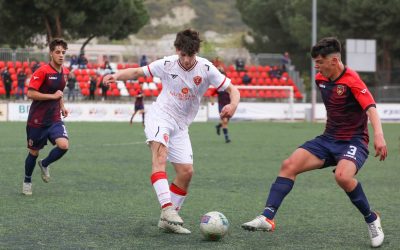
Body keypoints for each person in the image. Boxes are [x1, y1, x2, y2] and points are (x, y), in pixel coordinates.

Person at [241, 37, 387, 248]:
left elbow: (371, 107)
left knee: (343, 177)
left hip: (353, 141)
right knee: (288, 165)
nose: (316, 66)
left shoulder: (353, 80)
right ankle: (267, 218)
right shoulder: (321, 79)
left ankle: (371, 218)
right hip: (328, 139)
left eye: (319, 61)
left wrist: (379, 135)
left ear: (335, 61)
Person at [103, 28, 240, 234]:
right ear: (177, 50)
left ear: (196, 52)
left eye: (190, 55)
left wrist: (233, 106)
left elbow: (233, 90)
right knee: (160, 156)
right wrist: (116, 75)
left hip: (181, 126)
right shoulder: (166, 64)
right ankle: (167, 208)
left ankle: (168, 220)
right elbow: (138, 72)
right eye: (183, 55)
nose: (186, 60)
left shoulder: (206, 68)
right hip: (160, 117)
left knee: (186, 172)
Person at [22, 38, 70, 196]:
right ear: (51, 53)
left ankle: (45, 163)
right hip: (37, 120)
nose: (61, 55)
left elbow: (59, 92)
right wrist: (52, 97)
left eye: (63, 52)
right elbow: (30, 93)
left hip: (54, 118)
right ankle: (27, 181)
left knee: (64, 145)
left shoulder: (65, 72)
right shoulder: (42, 71)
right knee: (33, 152)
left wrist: (62, 106)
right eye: (57, 52)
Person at [212, 68, 232, 143]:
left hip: (229, 105)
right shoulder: (218, 87)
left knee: (225, 122)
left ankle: (218, 126)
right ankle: (227, 138)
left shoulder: (229, 86)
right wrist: (212, 101)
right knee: (225, 121)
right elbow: (212, 94)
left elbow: (233, 93)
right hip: (221, 106)